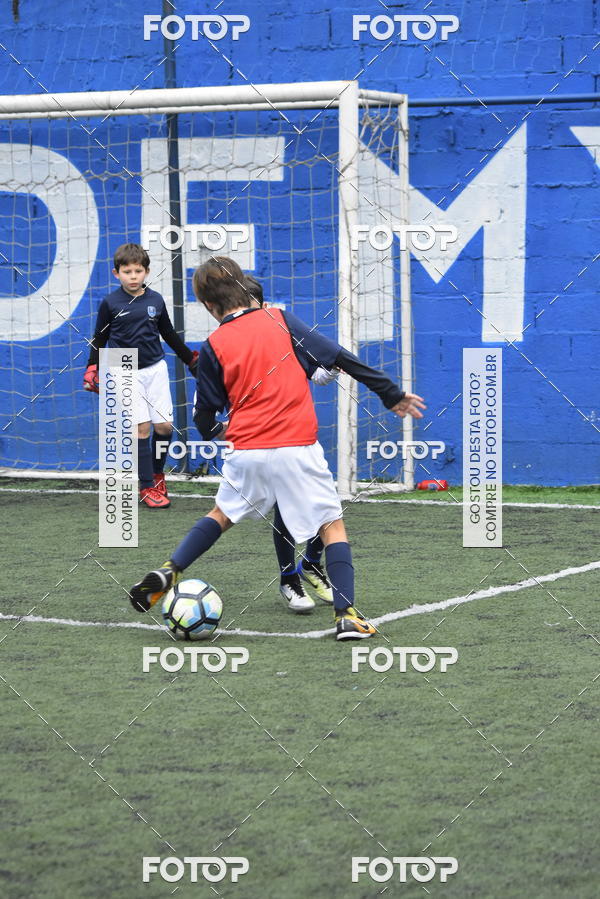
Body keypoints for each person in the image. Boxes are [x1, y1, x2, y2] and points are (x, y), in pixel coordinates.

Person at [128, 256, 425, 641]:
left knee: (221, 515)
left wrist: (220, 432)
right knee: (331, 525)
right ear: (244, 288)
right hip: (295, 445)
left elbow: (203, 416)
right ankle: (347, 615)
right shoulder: (280, 320)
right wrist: (390, 393)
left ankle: (169, 570)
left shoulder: (214, 344)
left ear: (208, 306)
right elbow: (338, 357)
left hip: (245, 449)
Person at [244, 274, 335, 614]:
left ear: (264, 307)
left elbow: (318, 376)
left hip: (300, 436)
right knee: (283, 507)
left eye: (252, 309)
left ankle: (310, 562)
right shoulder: (235, 342)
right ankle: (288, 579)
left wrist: (335, 365)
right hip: (263, 439)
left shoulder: (286, 335)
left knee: (322, 505)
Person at [83, 243, 198, 509]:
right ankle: (146, 486)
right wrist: (92, 368)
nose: (132, 276)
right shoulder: (109, 303)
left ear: (146, 272)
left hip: (155, 369)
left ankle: (157, 474)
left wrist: (190, 359)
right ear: (116, 273)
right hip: (123, 369)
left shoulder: (155, 300)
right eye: (127, 271)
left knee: (164, 427)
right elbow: (100, 338)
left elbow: (168, 334)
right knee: (142, 428)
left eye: (138, 271)